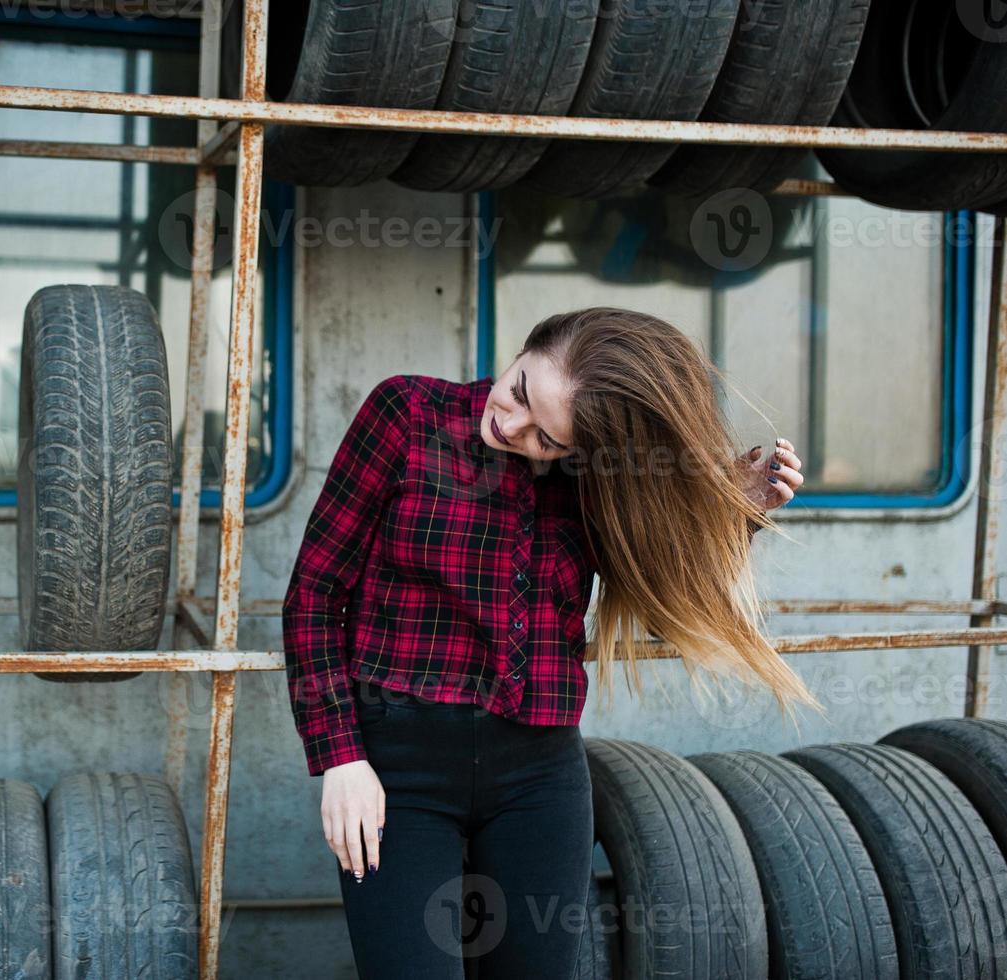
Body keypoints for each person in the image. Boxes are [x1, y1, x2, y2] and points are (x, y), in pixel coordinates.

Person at [280, 306, 819, 978]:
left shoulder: (600, 482)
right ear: (526, 348)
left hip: (539, 775)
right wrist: (340, 757)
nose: (512, 428)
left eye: (548, 441)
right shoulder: (406, 414)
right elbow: (315, 594)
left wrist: (734, 521)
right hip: (397, 771)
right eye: (519, 393)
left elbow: (658, 607)